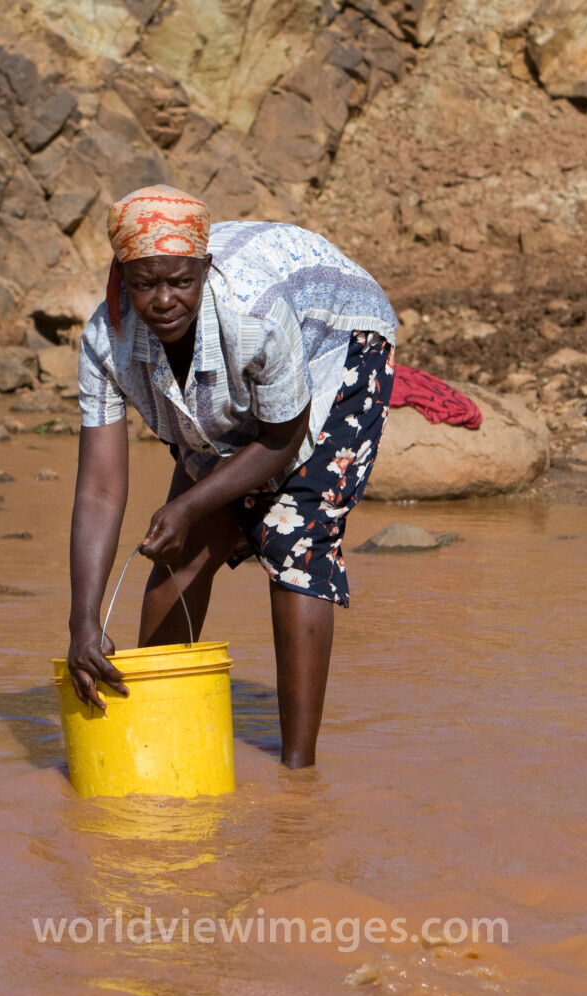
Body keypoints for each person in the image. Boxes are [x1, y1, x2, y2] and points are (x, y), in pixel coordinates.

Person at [65, 185, 397, 769]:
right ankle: (156, 736)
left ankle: (298, 776)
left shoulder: (254, 311)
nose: (164, 300)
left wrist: (190, 503)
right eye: (145, 284)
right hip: (246, 378)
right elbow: (99, 488)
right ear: (122, 279)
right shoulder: (105, 341)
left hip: (337, 339)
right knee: (182, 548)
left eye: (180, 282)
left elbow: (280, 441)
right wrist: (84, 621)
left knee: (295, 537)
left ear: (204, 269)